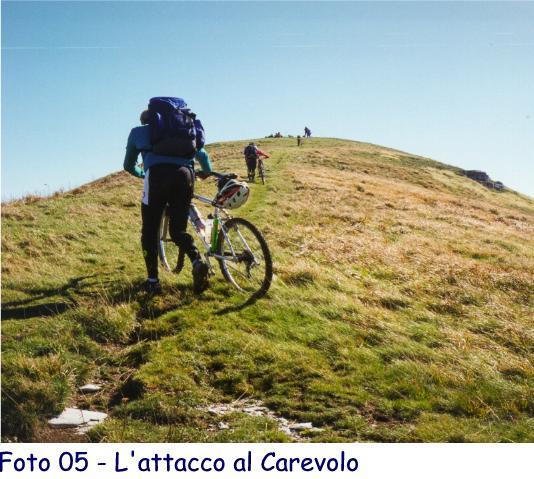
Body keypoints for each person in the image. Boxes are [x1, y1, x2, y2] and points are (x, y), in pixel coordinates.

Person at [124, 102, 213, 295]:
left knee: (149, 231)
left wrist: (142, 173)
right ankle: (196, 260)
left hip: (156, 177)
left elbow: (128, 165)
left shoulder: (138, 132)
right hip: (185, 177)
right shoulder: (184, 131)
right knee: (178, 230)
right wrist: (206, 172)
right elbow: (203, 156)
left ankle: (153, 281)